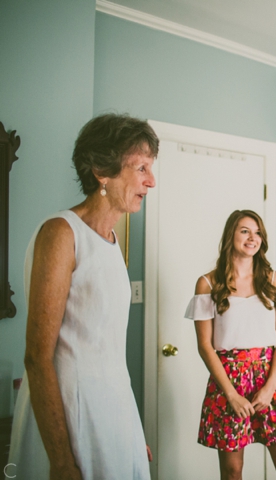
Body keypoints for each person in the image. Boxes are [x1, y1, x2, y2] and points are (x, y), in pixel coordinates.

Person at [8, 114, 158, 479]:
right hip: (72, 417)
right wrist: (61, 460)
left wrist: (131, 430)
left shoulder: (111, 242)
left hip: (113, 412)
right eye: (140, 168)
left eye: (150, 169)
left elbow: (107, 351)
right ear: (101, 171)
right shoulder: (61, 233)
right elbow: (37, 357)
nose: (151, 181)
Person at [184, 209, 276, 480]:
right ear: (231, 235)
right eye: (245, 231)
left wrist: (270, 387)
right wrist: (231, 395)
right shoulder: (207, 284)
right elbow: (205, 345)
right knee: (232, 472)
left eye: (258, 232)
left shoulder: (274, 280)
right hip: (228, 383)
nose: (253, 238)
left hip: (270, 379)